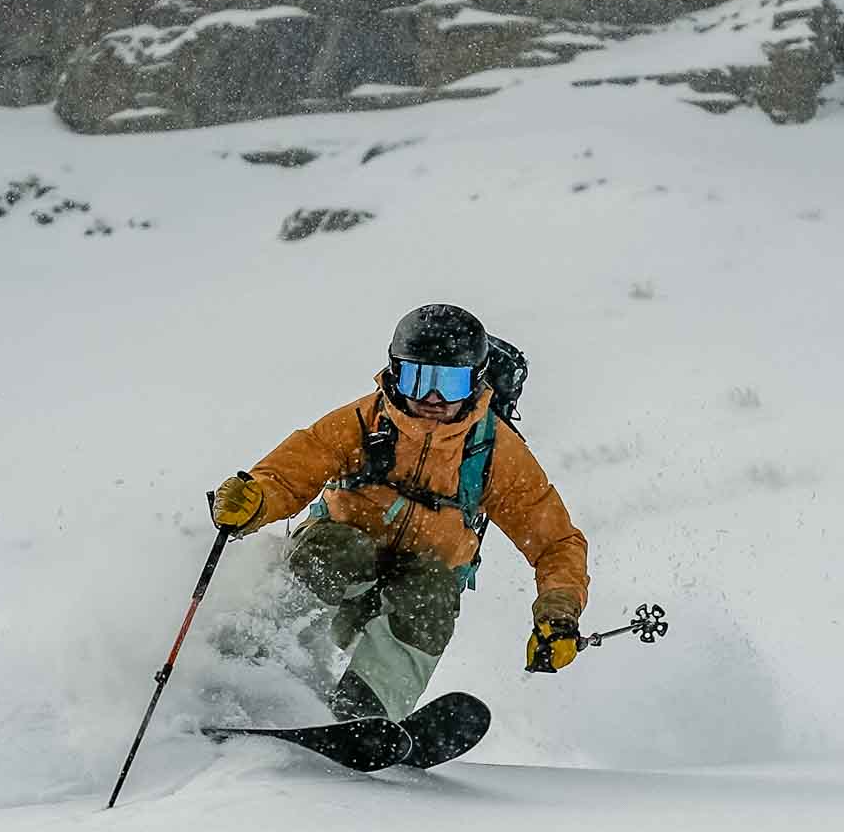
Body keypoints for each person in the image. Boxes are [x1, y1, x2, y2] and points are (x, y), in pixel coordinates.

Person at [210, 303, 590, 722]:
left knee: (433, 592)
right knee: (339, 546)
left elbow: (557, 543)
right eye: (418, 378)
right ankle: (252, 663)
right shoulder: (364, 420)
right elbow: (287, 475)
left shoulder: (495, 452)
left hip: (411, 591)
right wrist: (255, 502)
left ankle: (363, 717)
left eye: (450, 383)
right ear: (395, 373)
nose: (432, 398)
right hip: (338, 567)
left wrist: (558, 612)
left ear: (476, 383)